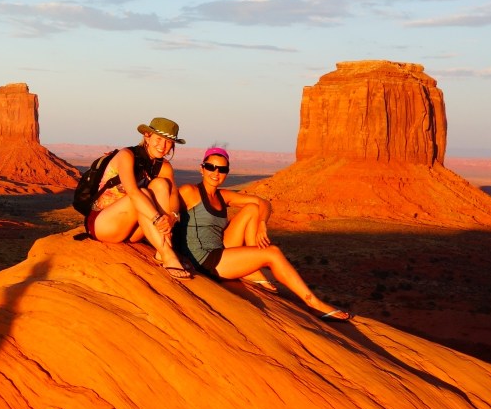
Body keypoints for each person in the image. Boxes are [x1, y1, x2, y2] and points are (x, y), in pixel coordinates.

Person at [175, 146, 353, 322]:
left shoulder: (223, 196)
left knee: (252, 208)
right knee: (273, 253)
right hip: (205, 261)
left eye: (222, 169)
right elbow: (170, 213)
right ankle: (313, 303)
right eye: (210, 167)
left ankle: (252, 267)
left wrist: (262, 223)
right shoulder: (190, 192)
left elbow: (263, 203)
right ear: (201, 168)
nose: (216, 172)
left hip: (218, 249)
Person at [86, 118, 193, 281]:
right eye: (158, 139)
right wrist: (157, 220)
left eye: (168, 142)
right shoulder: (126, 155)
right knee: (143, 194)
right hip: (103, 225)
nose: (162, 146)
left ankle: (162, 249)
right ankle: (168, 254)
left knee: (161, 184)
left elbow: (173, 196)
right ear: (147, 136)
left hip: (132, 230)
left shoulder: (163, 166)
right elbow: (134, 193)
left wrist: (172, 217)